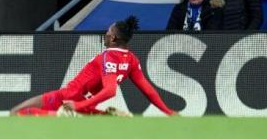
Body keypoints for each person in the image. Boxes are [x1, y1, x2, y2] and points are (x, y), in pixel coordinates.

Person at [9, 15, 176, 116]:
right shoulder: (131, 59)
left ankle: (78, 115)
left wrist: (78, 105)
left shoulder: (108, 56)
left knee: (16, 113)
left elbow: (110, 90)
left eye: (108, 32)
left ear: (113, 39)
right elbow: (148, 90)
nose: (105, 34)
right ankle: (99, 116)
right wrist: (168, 112)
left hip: (69, 97)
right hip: (77, 99)